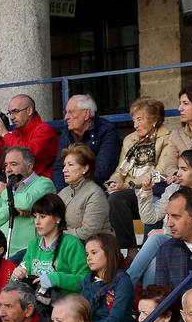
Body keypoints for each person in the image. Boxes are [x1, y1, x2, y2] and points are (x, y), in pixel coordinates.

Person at [107, 97, 179, 252]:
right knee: (114, 198)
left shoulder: (168, 138)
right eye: (133, 120)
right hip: (130, 191)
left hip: (153, 189)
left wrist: (128, 185)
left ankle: (147, 250)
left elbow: (160, 171)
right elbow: (121, 170)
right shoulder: (129, 139)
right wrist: (113, 183)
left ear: (154, 119)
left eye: (139, 120)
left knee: (150, 200)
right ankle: (130, 250)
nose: (135, 125)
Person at [0, 146, 56, 261]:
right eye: (6, 165)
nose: (8, 169)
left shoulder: (44, 184)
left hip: (26, 252)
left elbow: (26, 203)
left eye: (13, 164)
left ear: (29, 167)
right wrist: (11, 210)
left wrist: (5, 194)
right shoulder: (5, 188)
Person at [12, 194, 89, 303]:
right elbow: (22, 272)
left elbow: (85, 280)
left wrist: (56, 278)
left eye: (42, 216)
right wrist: (16, 276)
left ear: (58, 218)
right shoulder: (33, 245)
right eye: (35, 216)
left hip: (65, 309)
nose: (37, 222)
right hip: (36, 308)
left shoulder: (72, 244)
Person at [51, 94, 120, 190]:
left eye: (71, 112)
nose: (66, 117)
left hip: (97, 190)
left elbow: (103, 169)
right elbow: (58, 168)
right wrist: (62, 192)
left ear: (86, 114)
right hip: (70, 190)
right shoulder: (66, 134)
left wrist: (78, 189)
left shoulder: (106, 130)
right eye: (66, 112)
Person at [81, 233, 134, 322]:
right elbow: (82, 311)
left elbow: (115, 318)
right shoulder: (87, 280)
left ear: (109, 253)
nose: (89, 258)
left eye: (94, 253)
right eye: (87, 254)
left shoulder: (122, 280)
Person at [57, 144, 113, 242]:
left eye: (70, 165)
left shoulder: (95, 193)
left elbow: (88, 232)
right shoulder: (63, 193)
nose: (64, 170)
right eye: (64, 165)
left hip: (94, 250)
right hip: (68, 247)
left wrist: (57, 235)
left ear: (85, 168)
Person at [0, 94, 58, 177]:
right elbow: (0, 163)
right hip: (18, 182)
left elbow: (29, 153)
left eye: (16, 111)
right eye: (10, 113)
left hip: (40, 183)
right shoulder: (15, 133)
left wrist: (5, 134)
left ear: (29, 111)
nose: (12, 117)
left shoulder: (45, 130)